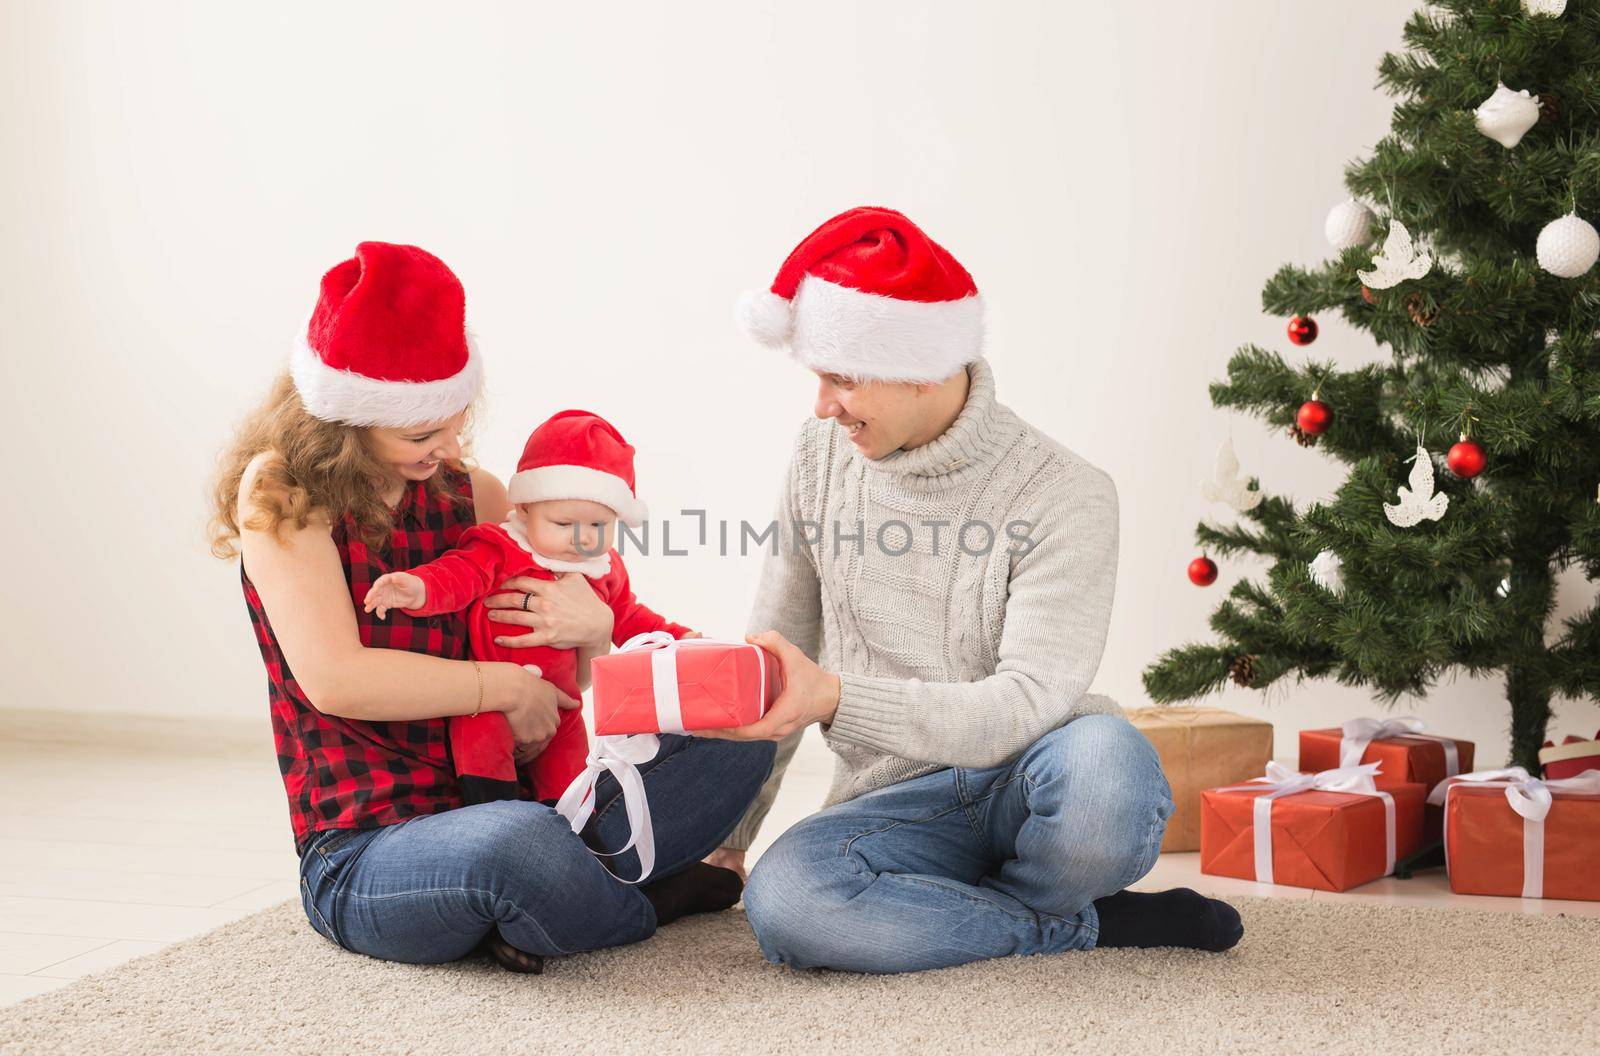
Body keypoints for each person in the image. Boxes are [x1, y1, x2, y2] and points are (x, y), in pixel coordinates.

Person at [698, 207, 1243, 973]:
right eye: (817, 378)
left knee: (1107, 776)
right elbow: (776, 656)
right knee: (787, 901)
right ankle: (1079, 925)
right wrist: (731, 840)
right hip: (889, 805)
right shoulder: (819, 457)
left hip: (1033, 775)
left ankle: (970, 909)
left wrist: (835, 697)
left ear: (925, 366)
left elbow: (1022, 704)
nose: (823, 405)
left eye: (843, 379)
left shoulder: (1067, 494)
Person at [209, 241, 773, 975]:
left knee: (744, 734)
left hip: (532, 799)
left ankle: (559, 899)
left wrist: (598, 633)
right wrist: (500, 689)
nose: (446, 447)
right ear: (345, 421)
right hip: (372, 843)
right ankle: (644, 899)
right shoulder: (281, 493)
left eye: (454, 420)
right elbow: (335, 678)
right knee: (516, 846)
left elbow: (557, 665)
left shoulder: (468, 493)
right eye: (420, 432)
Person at [363, 408, 695, 804]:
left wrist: (680, 641)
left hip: (562, 705)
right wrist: (417, 588)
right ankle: (494, 812)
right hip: (487, 702)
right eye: (563, 524)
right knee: (484, 752)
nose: (582, 540)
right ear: (524, 509)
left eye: (598, 527)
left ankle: (573, 824)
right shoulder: (499, 546)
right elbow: (459, 575)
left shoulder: (603, 569)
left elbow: (630, 619)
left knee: (573, 787)